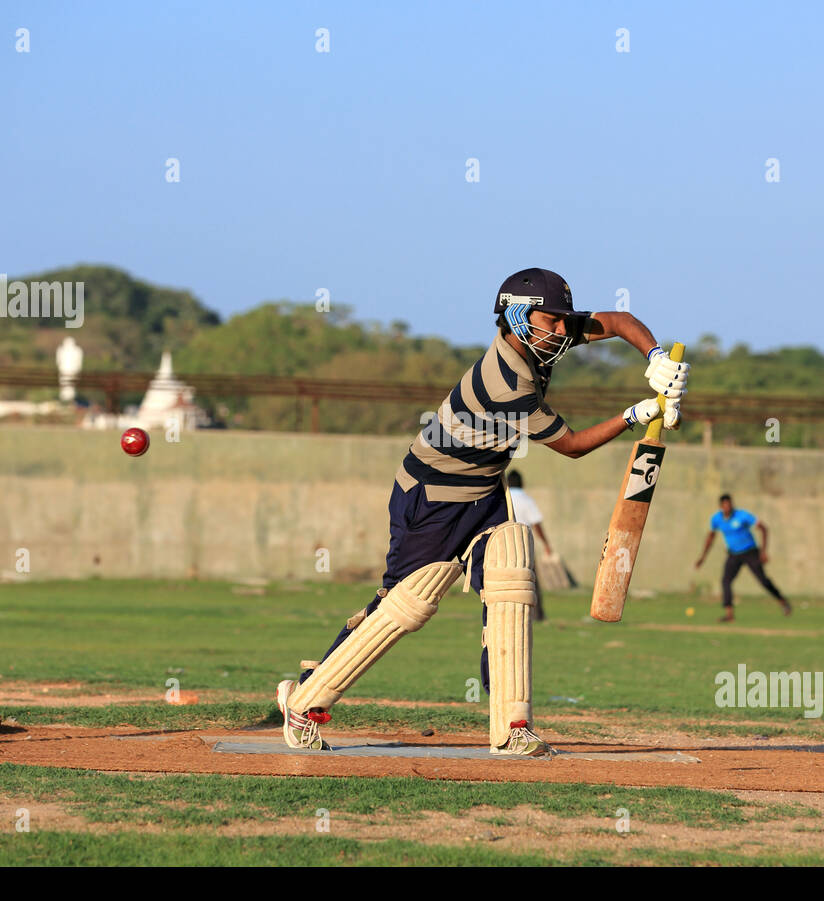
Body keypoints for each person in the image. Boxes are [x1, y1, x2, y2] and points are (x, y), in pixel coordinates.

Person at [277, 267, 689, 755]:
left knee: (511, 568)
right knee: (406, 604)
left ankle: (512, 726)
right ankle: (306, 698)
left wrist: (656, 357)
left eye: (562, 322)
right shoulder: (506, 383)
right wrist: (634, 415)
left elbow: (618, 320)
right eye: (549, 321)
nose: (559, 331)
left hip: (485, 490)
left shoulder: (538, 338)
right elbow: (573, 446)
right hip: (431, 496)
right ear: (515, 315)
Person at [693, 494, 792, 623]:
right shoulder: (716, 519)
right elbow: (711, 537)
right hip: (733, 554)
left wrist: (763, 552)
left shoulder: (742, 515)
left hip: (750, 552)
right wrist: (703, 557)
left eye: (729, 504)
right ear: (721, 506)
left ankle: (783, 602)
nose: (728, 507)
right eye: (725, 505)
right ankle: (729, 615)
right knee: (725, 581)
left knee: (763, 581)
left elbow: (763, 528)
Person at [505, 470, 552, 620]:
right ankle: (536, 615)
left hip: (505, 542)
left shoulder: (503, 497)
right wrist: (545, 543)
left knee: (506, 581)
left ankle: (508, 614)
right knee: (530, 580)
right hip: (523, 543)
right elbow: (536, 523)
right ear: (522, 482)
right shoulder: (526, 500)